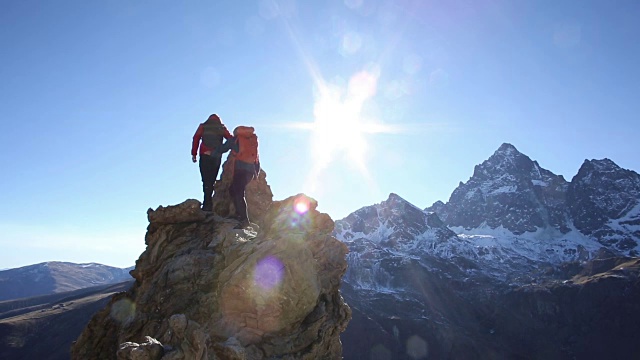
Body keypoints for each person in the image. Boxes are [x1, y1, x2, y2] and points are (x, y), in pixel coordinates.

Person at [216, 126, 260, 229]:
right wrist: (256, 173)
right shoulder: (252, 141)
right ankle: (240, 215)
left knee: (239, 193)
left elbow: (223, 148)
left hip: (240, 170)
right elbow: (256, 157)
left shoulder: (236, 139)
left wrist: (211, 152)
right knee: (233, 190)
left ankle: (244, 220)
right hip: (250, 171)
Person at [191, 114, 232, 211]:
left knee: (206, 180)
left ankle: (207, 205)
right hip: (216, 156)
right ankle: (208, 205)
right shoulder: (221, 128)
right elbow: (231, 139)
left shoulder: (203, 126)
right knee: (211, 181)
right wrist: (220, 150)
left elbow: (195, 138)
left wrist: (194, 154)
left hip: (204, 155)